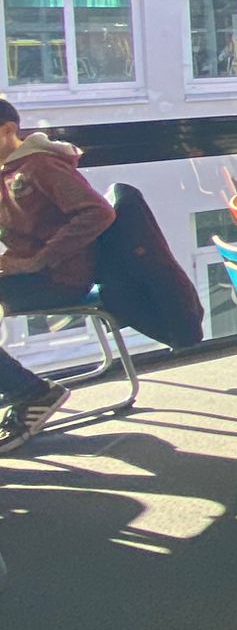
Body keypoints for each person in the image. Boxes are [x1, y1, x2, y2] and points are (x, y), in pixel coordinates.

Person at [0, 99, 114, 452]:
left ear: (8, 131)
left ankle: (33, 393)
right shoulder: (7, 171)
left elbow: (98, 212)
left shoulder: (40, 166)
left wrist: (38, 260)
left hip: (57, 277)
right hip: (25, 272)